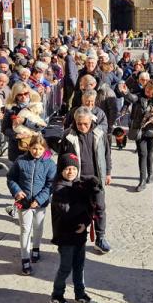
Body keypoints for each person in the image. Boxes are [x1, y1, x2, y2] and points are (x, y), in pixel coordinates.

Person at [49, 152, 100, 303]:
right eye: (66, 169)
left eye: (73, 168)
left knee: (79, 266)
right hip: (65, 236)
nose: (70, 172)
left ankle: (80, 294)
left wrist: (93, 192)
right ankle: (56, 296)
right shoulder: (59, 189)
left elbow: (89, 210)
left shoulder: (78, 185)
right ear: (60, 170)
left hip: (80, 235)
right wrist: (83, 198)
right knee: (65, 268)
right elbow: (67, 211)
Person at [57, 107, 112, 254]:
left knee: (100, 208)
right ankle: (77, 238)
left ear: (91, 121)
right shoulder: (68, 135)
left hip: (96, 179)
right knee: (78, 210)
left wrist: (108, 172)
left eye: (85, 124)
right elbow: (61, 159)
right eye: (79, 123)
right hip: (77, 180)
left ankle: (101, 238)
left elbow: (107, 153)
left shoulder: (100, 133)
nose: (82, 127)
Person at [6, 134, 56, 275]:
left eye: (40, 149)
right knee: (25, 229)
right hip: (24, 202)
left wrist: (39, 199)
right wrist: (17, 191)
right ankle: (25, 259)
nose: (36, 152)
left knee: (38, 226)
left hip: (41, 202)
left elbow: (50, 184)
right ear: (29, 147)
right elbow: (11, 178)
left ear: (44, 149)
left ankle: (36, 248)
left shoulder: (50, 164)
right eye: (34, 148)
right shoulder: (20, 161)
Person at [118, 80, 153, 192]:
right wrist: (126, 92)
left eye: (150, 89)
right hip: (139, 131)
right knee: (142, 154)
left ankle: (150, 174)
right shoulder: (139, 96)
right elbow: (132, 98)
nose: (147, 90)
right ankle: (142, 181)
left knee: (149, 153)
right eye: (146, 87)